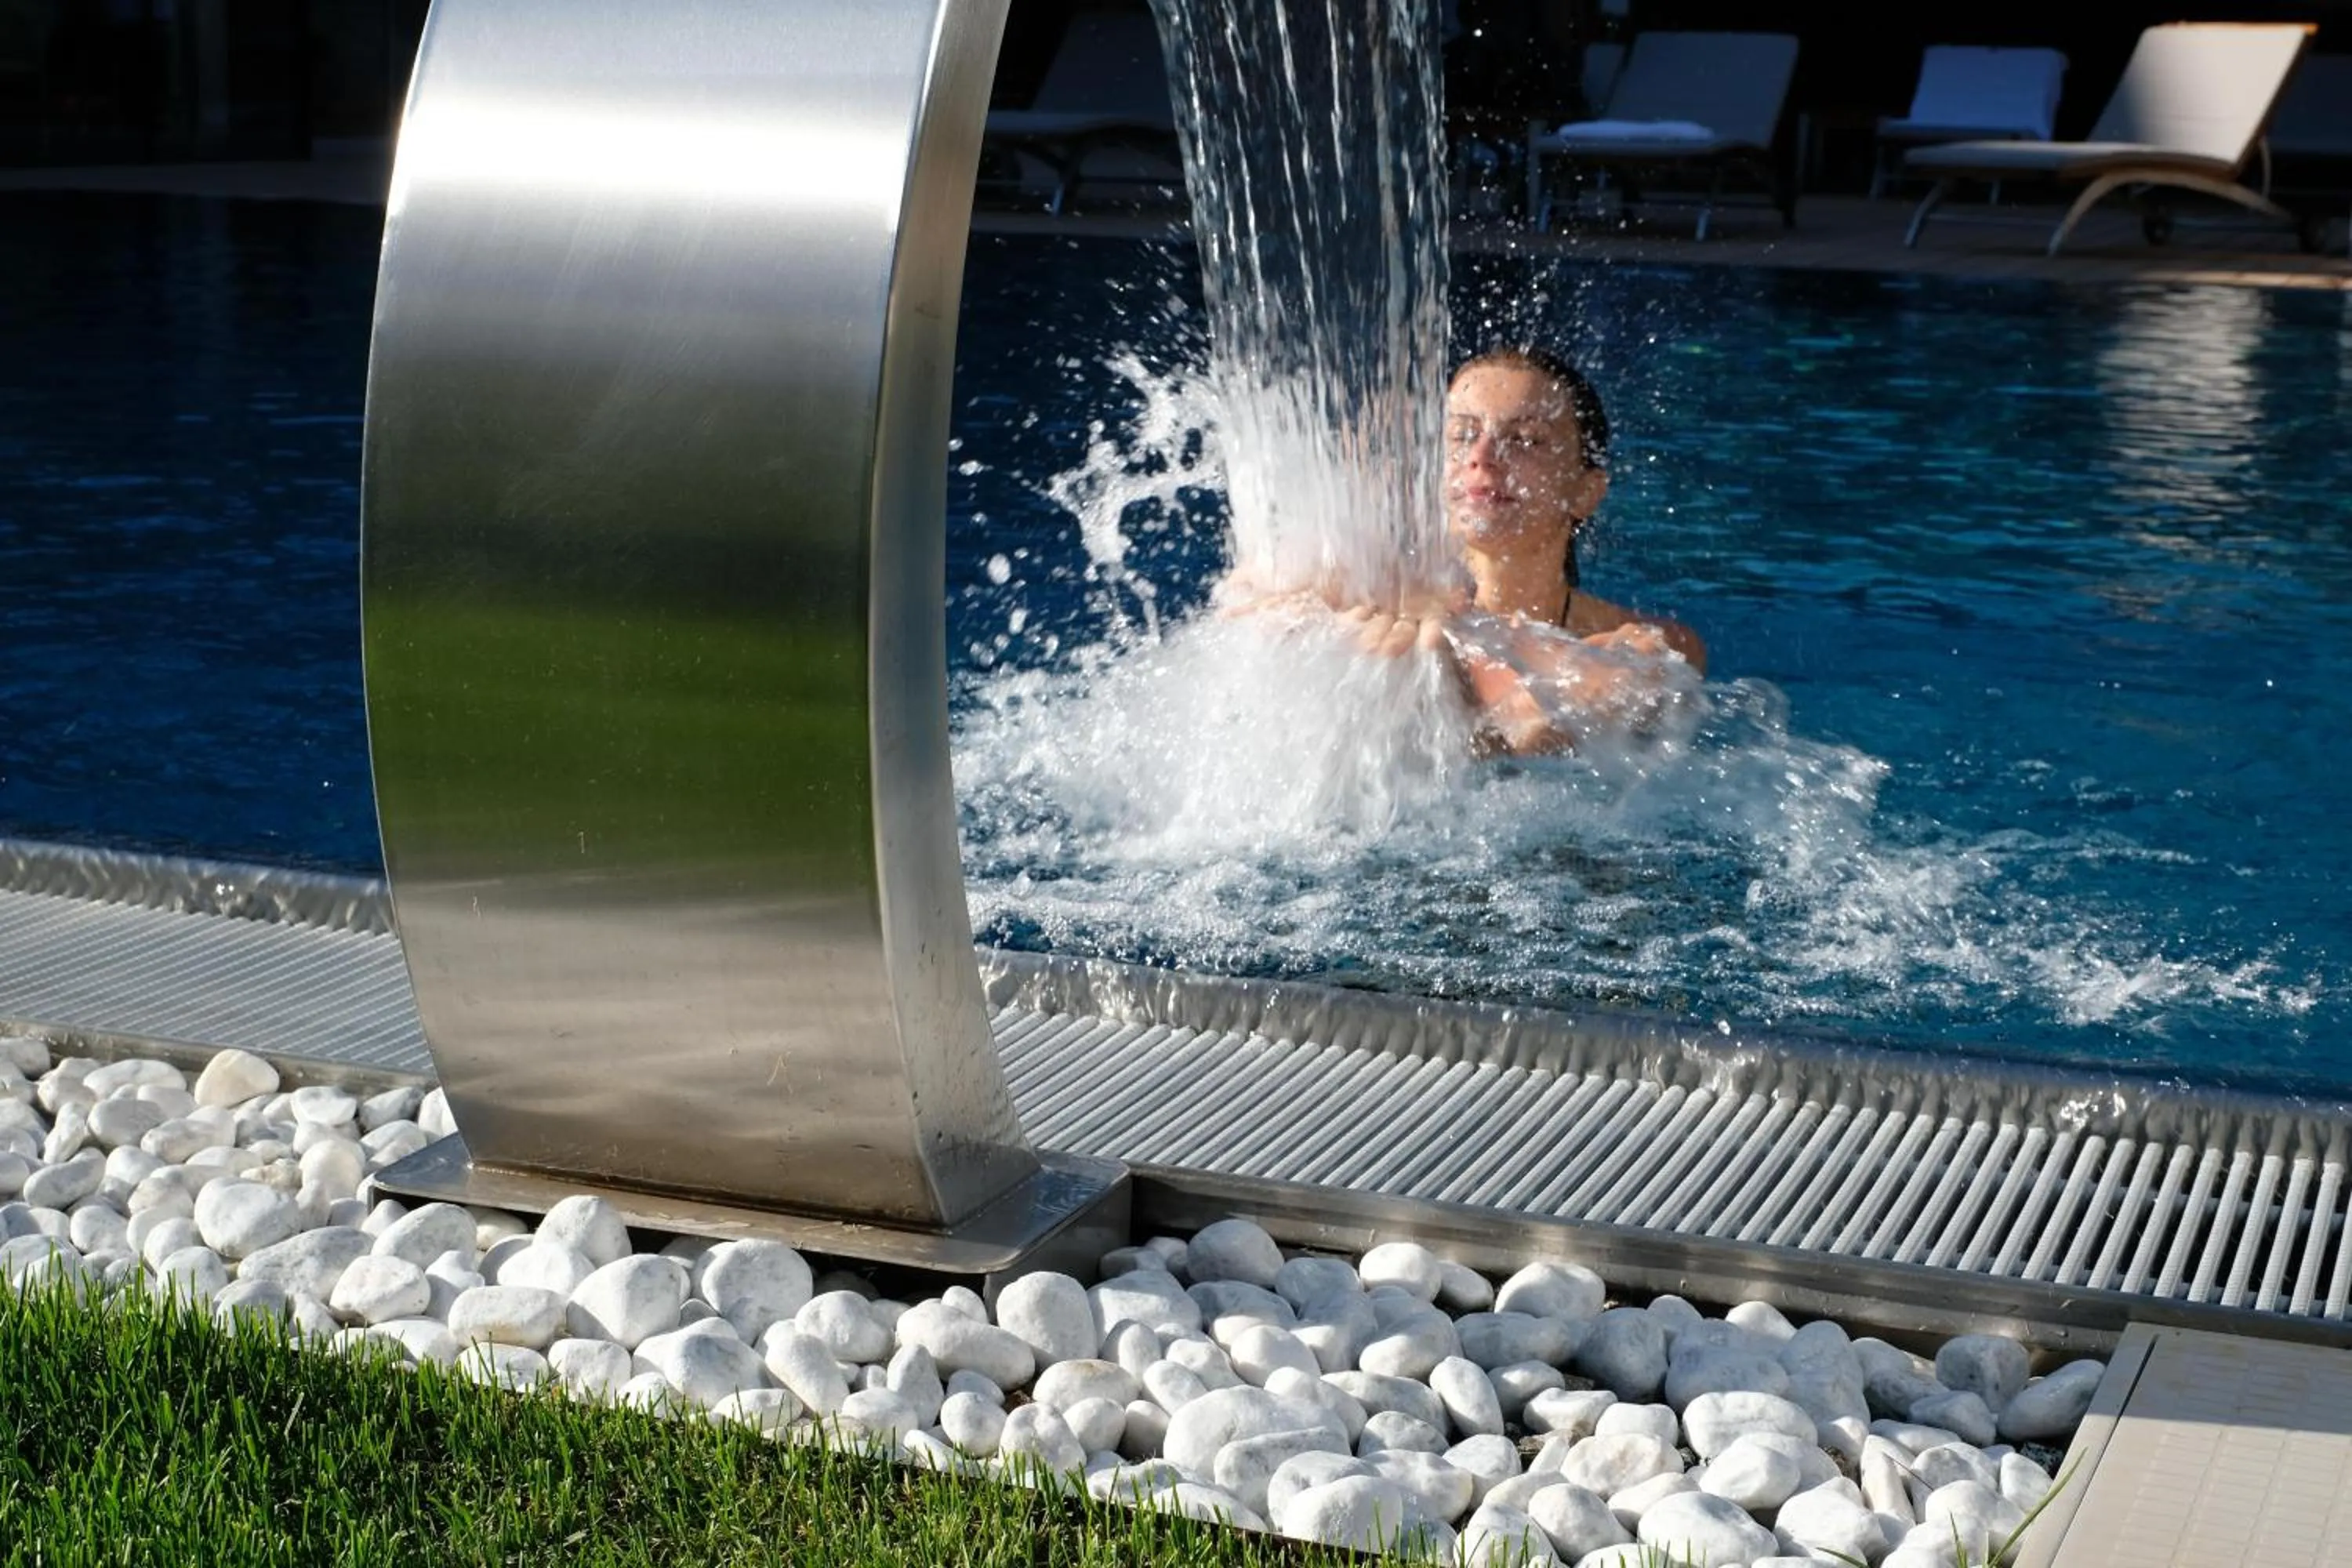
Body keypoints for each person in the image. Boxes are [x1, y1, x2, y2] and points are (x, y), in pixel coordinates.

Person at [1321, 346, 1704, 753]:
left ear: (1585, 492)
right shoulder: (1376, 604)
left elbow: (1632, 688)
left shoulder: (1647, 648)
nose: (1481, 458)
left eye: (1525, 440)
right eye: (1463, 435)